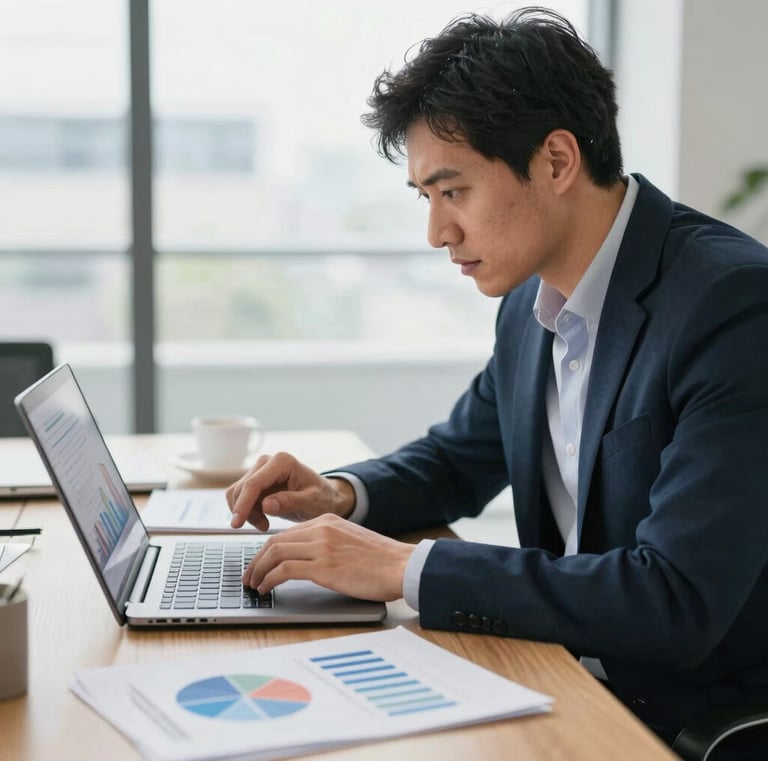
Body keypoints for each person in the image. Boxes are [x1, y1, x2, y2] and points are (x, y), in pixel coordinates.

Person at [226, 7, 768, 754]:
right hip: (558, 675)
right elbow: (460, 455)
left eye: (454, 192)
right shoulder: (530, 297)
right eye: (426, 198)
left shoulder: (732, 305)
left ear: (555, 160)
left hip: (684, 721)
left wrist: (402, 566)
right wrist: (340, 496)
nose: (437, 233)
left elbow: (672, 599)